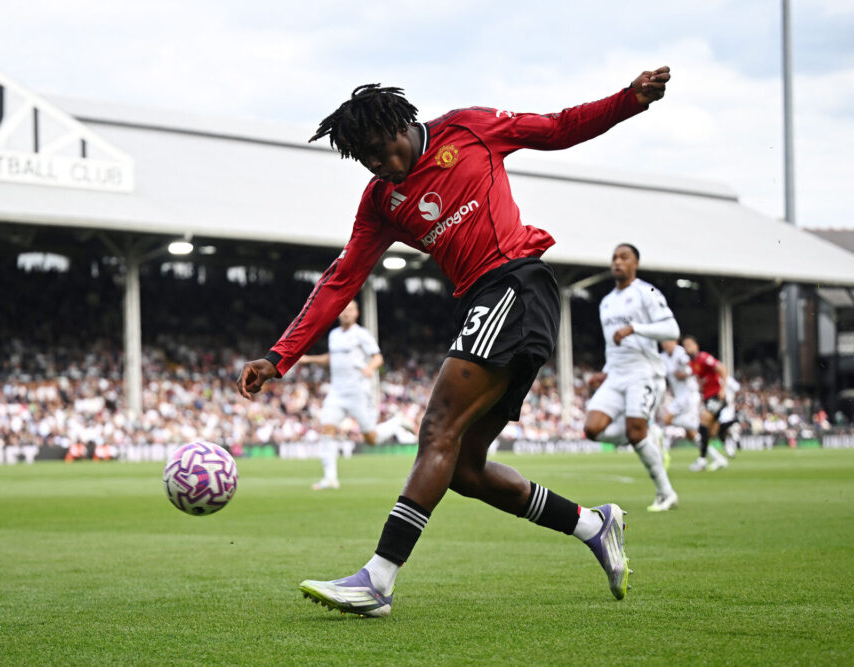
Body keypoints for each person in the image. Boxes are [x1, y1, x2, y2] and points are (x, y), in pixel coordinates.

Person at [236, 66, 671, 617]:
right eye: (370, 160)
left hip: (515, 281)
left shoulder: (469, 130)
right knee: (464, 468)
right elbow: (341, 278)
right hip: (487, 301)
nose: (386, 165)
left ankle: (378, 579)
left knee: (436, 429)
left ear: (404, 123)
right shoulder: (381, 201)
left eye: (387, 148)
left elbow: (559, 127)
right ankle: (593, 523)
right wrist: (280, 356)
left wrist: (630, 100)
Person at [582, 244, 680, 512]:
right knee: (592, 429)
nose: (617, 261)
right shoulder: (606, 302)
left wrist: (635, 328)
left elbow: (672, 329)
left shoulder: (646, 291)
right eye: (614, 257)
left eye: (624, 257)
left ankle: (666, 493)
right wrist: (604, 370)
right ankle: (648, 435)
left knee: (635, 431)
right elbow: (611, 346)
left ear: (635, 263)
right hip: (616, 374)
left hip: (644, 372)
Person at [296, 300, 385, 490]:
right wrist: (309, 359)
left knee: (371, 438)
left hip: (358, 391)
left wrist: (370, 368)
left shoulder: (361, 335)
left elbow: (378, 357)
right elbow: (331, 358)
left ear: (356, 313)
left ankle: (398, 422)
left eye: (350, 309)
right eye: (343, 310)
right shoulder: (334, 335)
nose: (346, 313)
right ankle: (330, 478)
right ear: (338, 313)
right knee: (327, 428)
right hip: (336, 392)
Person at [681, 335, 734, 471]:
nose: (687, 348)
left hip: (716, 396)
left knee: (703, 422)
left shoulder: (703, 358)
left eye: (690, 345)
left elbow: (722, 368)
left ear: (696, 346)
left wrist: (723, 389)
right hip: (707, 398)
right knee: (712, 431)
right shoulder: (691, 364)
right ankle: (730, 433)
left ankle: (702, 460)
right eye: (685, 346)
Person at [660, 339, 703, 454]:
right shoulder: (662, 357)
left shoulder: (681, 353)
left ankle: (663, 453)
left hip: (689, 395)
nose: (665, 344)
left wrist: (685, 374)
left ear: (675, 342)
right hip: (679, 396)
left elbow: (694, 366)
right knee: (690, 434)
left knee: (666, 420)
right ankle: (716, 457)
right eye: (663, 342)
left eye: (668, 341)